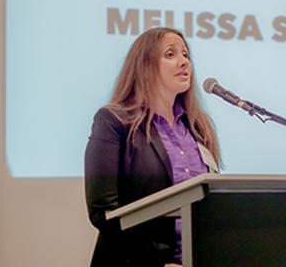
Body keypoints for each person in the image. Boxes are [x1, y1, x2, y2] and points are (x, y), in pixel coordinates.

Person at [85, 27, 221, 267]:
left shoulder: (198, 128)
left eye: (186, 55)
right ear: (144, 66)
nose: (183, 62)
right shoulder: (113, 122)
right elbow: (103, 211)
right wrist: (156, 262)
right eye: (170, 54)